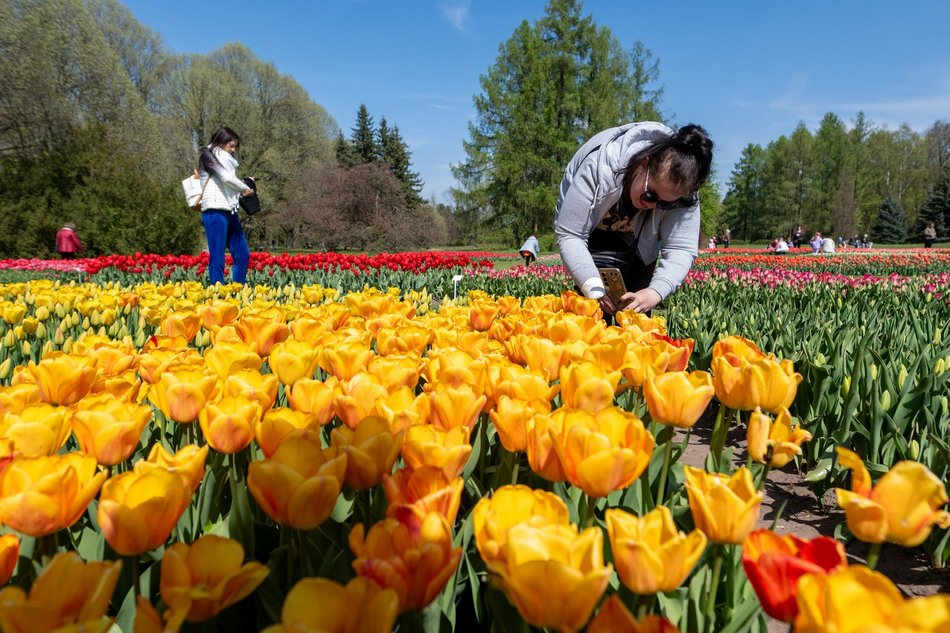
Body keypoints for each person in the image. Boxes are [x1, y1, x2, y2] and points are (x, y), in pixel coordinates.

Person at [555, 121, 714, 316]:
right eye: (650, 195)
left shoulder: (686, 191)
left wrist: (654, 292)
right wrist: (592, 285)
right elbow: (571, 234)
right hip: (590, 227)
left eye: (667, 205)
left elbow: (680, 248)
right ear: (642, 165)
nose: (653, 206)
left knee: (637, 311)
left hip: (642, 239)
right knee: (590, 308)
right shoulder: (600, 166)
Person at [198, 127, 254, 285]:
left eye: (235, 146)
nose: (233, 150)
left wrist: (245, 182)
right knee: (217, 257)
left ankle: (238, 290)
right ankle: (217, 294)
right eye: (231, 145)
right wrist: (244, 188)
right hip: (214, 210)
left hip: (229, 210)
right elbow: (226, 178)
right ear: (220, 142)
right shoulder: (208, 155)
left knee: (243, 254)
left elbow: (228, 179)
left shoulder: (224, 158)